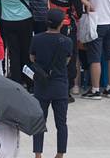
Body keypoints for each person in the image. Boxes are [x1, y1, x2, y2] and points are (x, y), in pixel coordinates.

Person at [31, 9, 73, 158]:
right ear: (61, 24)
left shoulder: (37, 39)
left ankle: (38, 154)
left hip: (41, 85)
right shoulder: (67, 41)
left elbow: (32, 58)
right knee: (61, 123)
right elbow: (67, 61)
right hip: (60, 85)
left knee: (39, 121)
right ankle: (60, 154)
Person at [47, 0, 85, 95]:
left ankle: (52, 83)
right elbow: (79, 13)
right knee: (70, 56)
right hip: (67, 27)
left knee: (53, 55)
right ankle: (67, 87)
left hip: (51, 25)